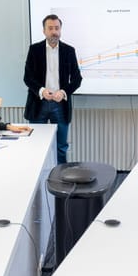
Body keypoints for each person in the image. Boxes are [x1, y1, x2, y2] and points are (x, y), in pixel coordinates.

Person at [23, 14, 82, 164]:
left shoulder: (69, 51)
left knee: (61, 147)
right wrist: (42, 91)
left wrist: (63, 92)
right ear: (44, 31)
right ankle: (36, 180)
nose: (54, 31)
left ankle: (61, 181)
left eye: (57, 28)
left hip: (60, 105)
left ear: (60, 30)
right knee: (36, 145)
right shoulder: (34, 50)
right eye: (50, 28)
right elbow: (28, 77)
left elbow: (77, 79)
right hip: (39, 103)